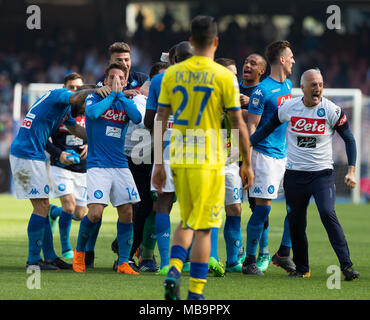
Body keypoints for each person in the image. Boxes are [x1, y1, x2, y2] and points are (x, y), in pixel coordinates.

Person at [152, 15, 254, 300]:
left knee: (187, 219)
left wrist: (159, 163)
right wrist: (246, 162)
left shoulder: (171, 75)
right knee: (205, 230)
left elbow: (160, 119)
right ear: (216, 41)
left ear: (191, 40)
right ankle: (196, 293)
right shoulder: (224, 76)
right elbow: (238, 124)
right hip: (209, 160)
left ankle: (173, 268)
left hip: (179, 158)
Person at [249, 69, 360, 280]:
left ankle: (346, 266)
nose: (318, 88)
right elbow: (267, 129)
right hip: (295, 175)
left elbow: (350, 139)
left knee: (328, 213)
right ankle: (302, 268)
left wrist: (351, 171)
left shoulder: (332, 110)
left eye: (320, 84)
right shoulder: (289, 107)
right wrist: (247, 145)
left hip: (322, 175)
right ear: (303, 88)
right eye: (313, 85)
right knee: (296, 222)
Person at [9, 82, 108, 270]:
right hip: (26, 154)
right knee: (41, 206)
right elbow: (77, 97)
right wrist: (95, 91)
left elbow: (76, 130)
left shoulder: (66, 110)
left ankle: (50, 256)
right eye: (88, 103)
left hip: (31, 154)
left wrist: (99, 138)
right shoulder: (60, 95)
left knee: (43, 206)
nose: (87, 108)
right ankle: (33, 260)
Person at [72, 62, 142, 275]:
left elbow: (138, 118)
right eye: (112, 77)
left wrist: (120, 96)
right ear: (106, 79)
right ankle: (79, 253)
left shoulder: (124, 101)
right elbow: (92, 114)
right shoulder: (96, 96)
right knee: (94, 213)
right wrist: (112, 96)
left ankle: (123, 262)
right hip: (98, 166)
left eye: (120, 78)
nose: (116, 81)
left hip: (120, 165)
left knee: (127, 212)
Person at [243, 40, 295, 276]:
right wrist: (248, 162)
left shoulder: (289, 86)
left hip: (284, 156)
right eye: (290, 56)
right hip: (263, 156)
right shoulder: (261, 91)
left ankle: (283, 253)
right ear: (282, 60)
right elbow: (251, 127)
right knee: (262, 210)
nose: (293, 60)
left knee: (296, 206)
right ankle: (249, 260)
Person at [145, 41, 194, 276]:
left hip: (166, 149)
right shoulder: (205, 81)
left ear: (172, 59)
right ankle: (189, 261)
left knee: (163, 203)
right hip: (198, 149)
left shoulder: (159, 81)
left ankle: (166, 262)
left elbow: (151, 120)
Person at [46, 72, 88, 260]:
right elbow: (44, 139)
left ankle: (53, 212)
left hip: (82, 169)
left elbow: (97, 133)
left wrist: (89, 143)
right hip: (60, 165)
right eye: (71, 88)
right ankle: (65, 247)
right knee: (69, 207)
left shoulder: (88, 110)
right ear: (64, 89)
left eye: (78, 88)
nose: (75, 91)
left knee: (79, 214)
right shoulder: (57, 111)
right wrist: (58, 154)